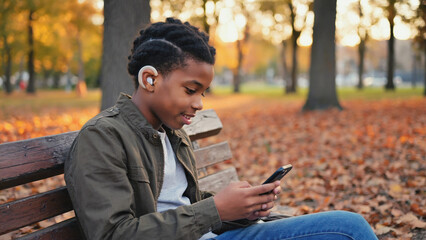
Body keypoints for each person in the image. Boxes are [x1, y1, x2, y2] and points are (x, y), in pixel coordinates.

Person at [64, 18, 378, 240]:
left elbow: (188, 204)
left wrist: (243, 209)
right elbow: (113, 235)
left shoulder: (171, 133)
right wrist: (215, 210)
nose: (199, 104)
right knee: (349, 231)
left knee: (349, 227)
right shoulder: (103, 138)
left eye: (204, 92)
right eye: (191, 90)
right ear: (150, 80)